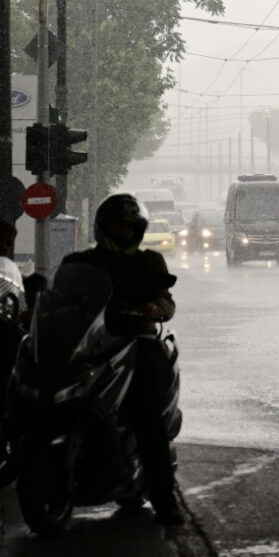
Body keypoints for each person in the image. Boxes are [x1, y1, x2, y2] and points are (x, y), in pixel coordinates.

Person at [61, 194, 184, 525]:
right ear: (103, 227)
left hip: (136, 343)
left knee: (147, 416)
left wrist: (155, 309)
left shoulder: (149, 263)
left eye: (132, 228)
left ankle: (164, 499)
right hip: (91, 345)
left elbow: (166, 301)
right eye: (119, 226)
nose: (125, 234)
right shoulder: (80, 262)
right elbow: (60, 297)